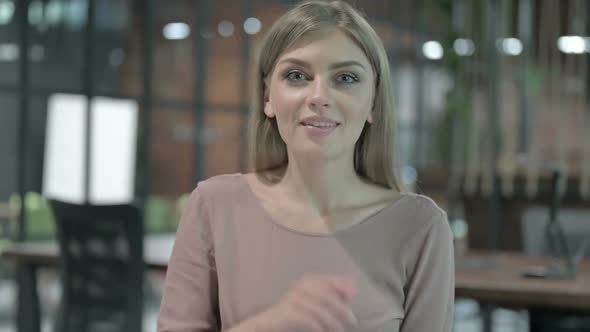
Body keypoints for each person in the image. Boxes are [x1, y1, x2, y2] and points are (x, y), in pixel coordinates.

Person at [157, 1, 454, 331]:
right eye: (296, 75)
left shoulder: (421, 228)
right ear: (268, 97)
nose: (319, 96)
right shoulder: (213, 206)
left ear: (373, 101)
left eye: (346, 77)